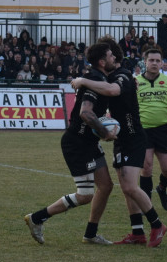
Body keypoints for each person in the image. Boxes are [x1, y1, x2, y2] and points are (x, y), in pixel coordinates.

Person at [72, 39, 167, 247]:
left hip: (133, 138)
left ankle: (157, 224)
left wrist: (83, 81)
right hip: (121, 139)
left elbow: (113, 91)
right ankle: (137, 233)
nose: (112, 58)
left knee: (130, 186)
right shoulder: (110, 76)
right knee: (126, 188)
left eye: (111, 56)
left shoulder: (122, 75)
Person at [23, 41, 117, 246]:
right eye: (111, 56)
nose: (114, 59)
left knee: (106, 186)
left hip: (89, 142)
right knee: (85, 195)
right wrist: (105, 133)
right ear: (102, 61)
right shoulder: (94, 78)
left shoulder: (96, 78)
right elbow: (85, 112)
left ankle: (91, 234)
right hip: (78, 143)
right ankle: (36, 218)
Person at [130, 47, 167, 211]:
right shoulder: (135, 81)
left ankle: (162, 188)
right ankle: (146, 205)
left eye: (158, 61)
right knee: (147, 167)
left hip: (164, 130)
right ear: (145, 62)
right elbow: (125, 103)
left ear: (162, 63)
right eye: (151, 60)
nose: (155, 63)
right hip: (143, 130)